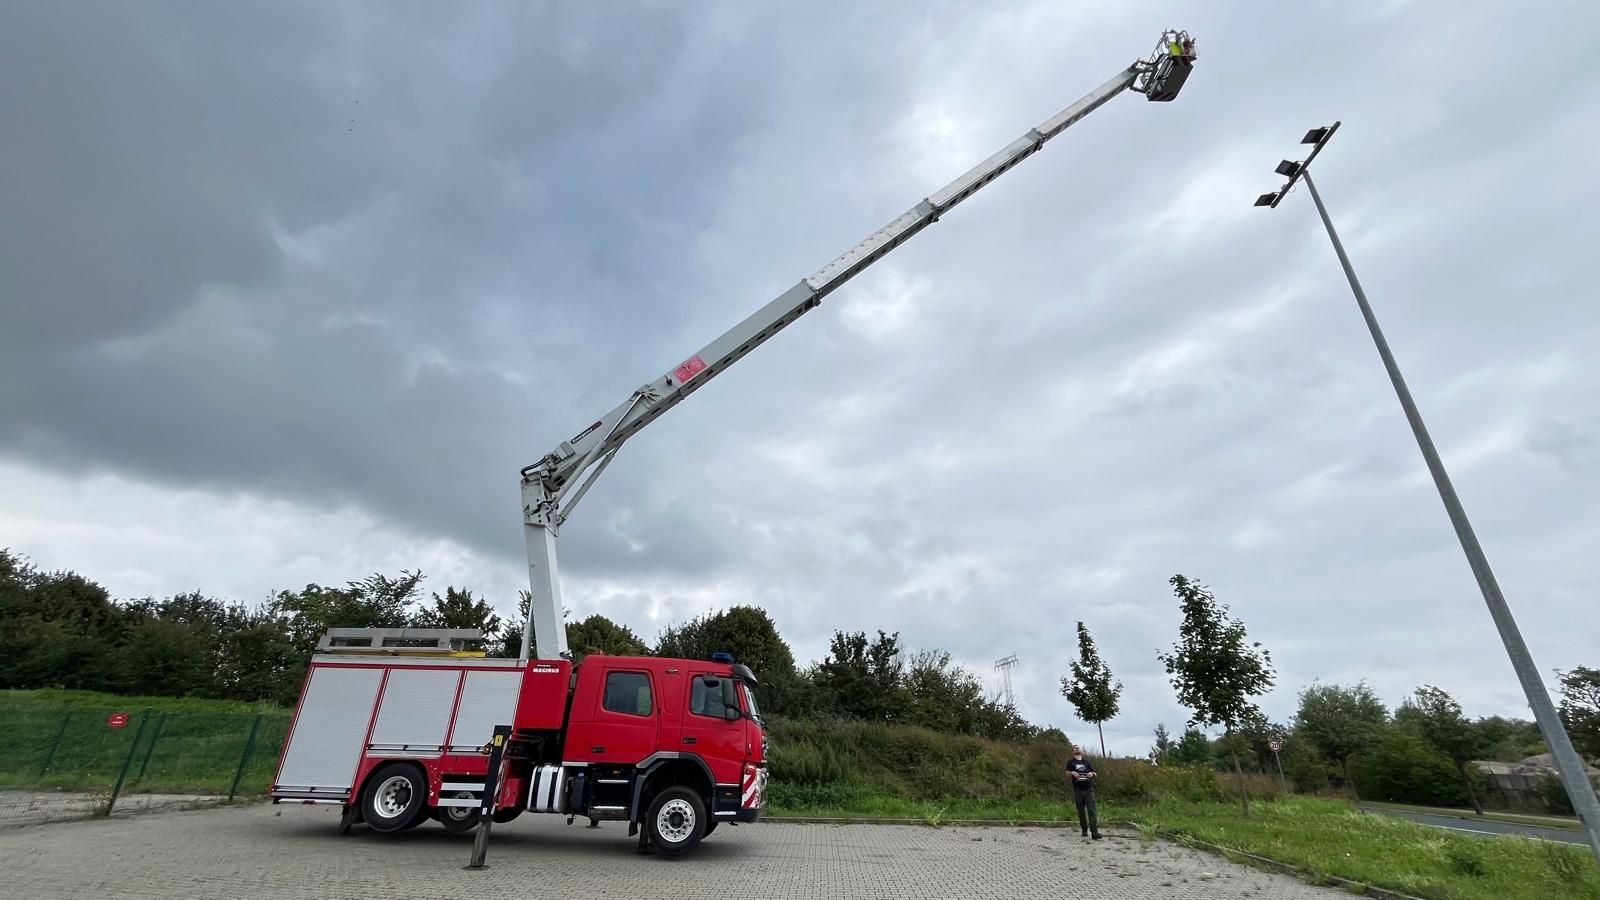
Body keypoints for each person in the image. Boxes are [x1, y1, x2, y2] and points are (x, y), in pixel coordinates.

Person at [1065, 745, 1101, 839]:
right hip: (1078, 790)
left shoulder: (1086, 762)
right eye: (1075, 748)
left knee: (1092, 810)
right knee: (1081, 811)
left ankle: (1094, 832)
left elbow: (1095, 774)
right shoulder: (1071, 762)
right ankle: (1084, 829)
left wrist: (1091, 774)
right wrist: (1072, 773)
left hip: (1089, 789)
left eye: (1078, 747)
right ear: (1072, 751)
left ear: (1081, 751)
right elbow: (1067, 774)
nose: (1077, 749)